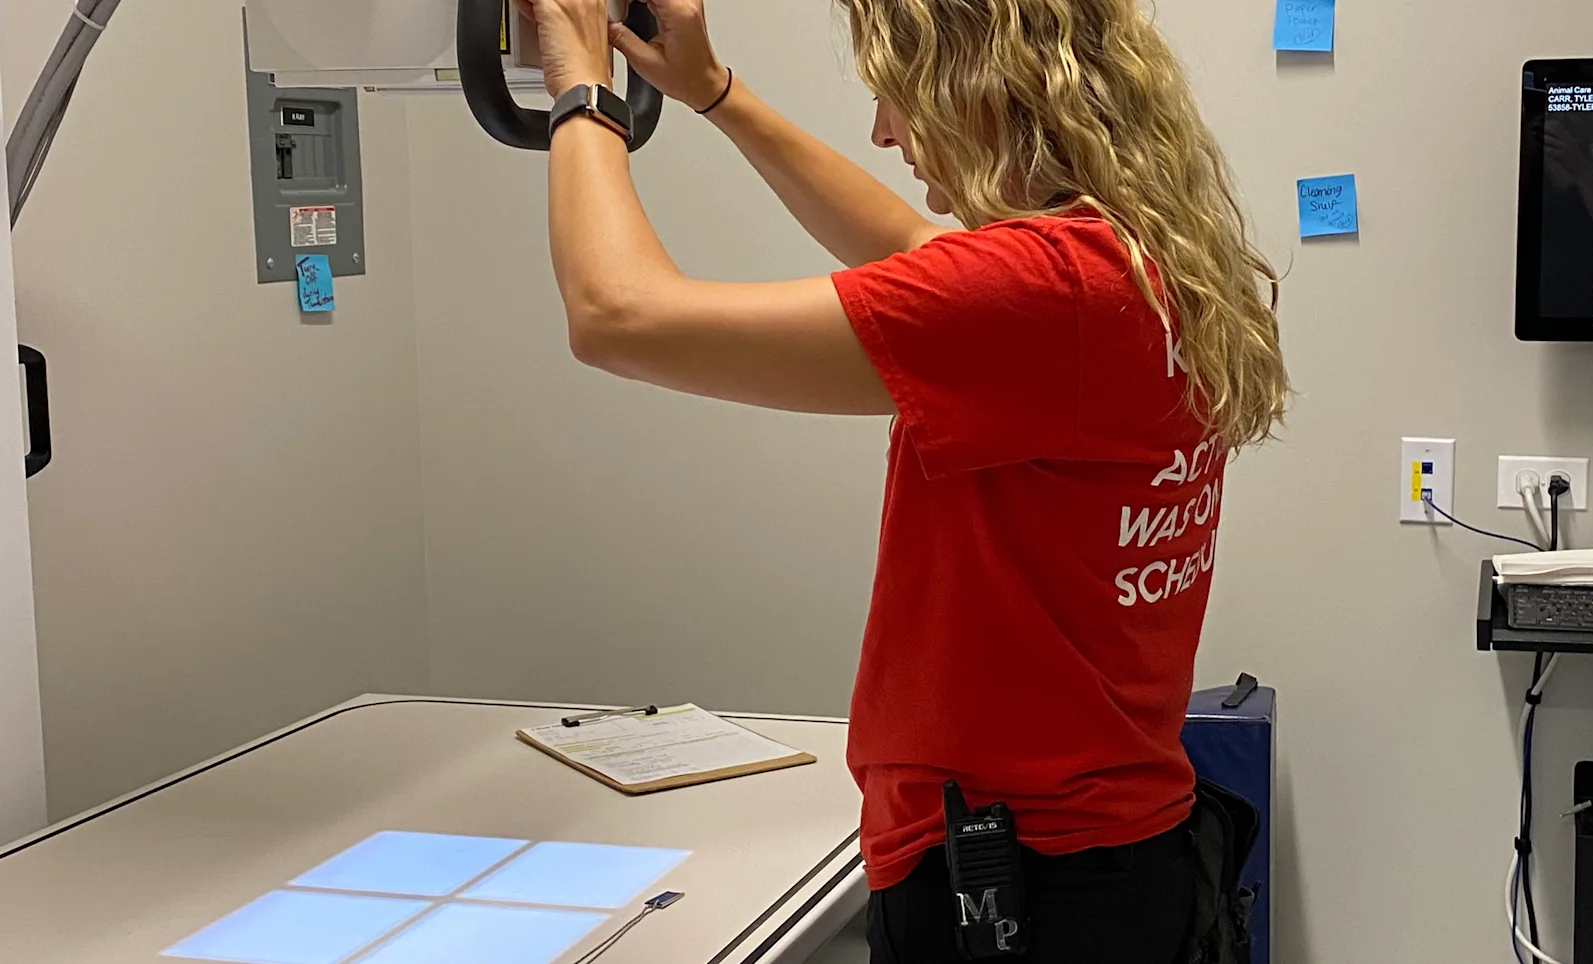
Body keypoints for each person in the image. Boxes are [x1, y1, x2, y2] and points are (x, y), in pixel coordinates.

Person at [517, 0, 1287, 960]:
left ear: (986, 86)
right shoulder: (1138, 258)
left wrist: (581, 90)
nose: (885, 130)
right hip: (1121, 862)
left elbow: (615, 317)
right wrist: (716, 94)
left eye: (899, 96)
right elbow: (912, 251)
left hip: (1026, 888)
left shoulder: (1047, 290)